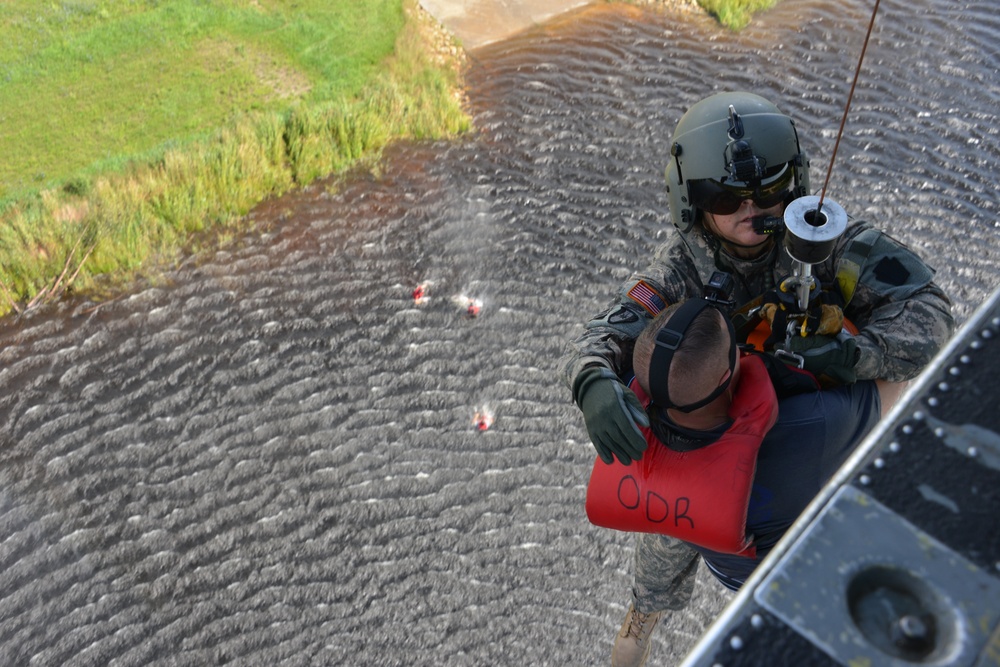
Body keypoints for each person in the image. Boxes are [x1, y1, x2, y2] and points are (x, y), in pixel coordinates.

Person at [560, 91, 955, 666]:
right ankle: (639, 628)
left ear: (793, 187)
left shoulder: (825, 240)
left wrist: (852, 355)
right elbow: (602, 335)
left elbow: (930, 313)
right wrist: (592, 381)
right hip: (708, 432)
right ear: (692, 202)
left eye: (769, 192)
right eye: (726, 198)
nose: (753, 212)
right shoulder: (681, 269)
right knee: (666, 537)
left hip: (803, 418)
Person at [586, 299, 881, 666]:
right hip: (760, 570)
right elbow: (893, 385)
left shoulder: (620, 417)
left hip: (681, 509)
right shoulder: (810, 426)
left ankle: (640, 622)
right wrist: (839, 355)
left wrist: (589, 381)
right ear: (732, 370)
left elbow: (597, 341)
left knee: (666, 536)